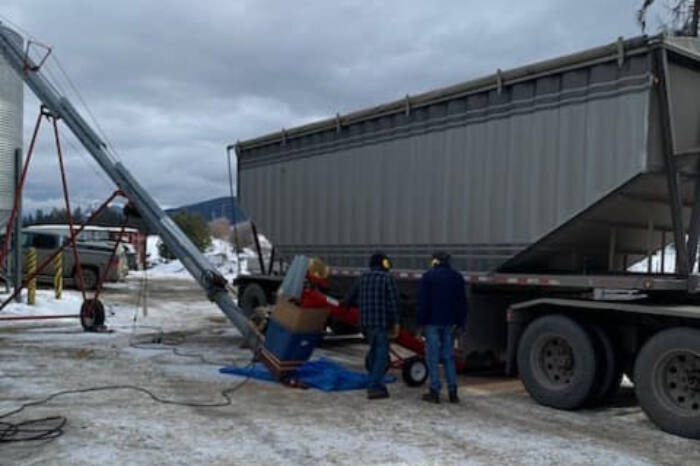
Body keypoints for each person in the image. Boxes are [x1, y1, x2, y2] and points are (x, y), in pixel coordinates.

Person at [345, 251, 400, 399]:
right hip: (381, 323)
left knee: (375, 352)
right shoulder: (388, 279)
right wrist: (395, 323)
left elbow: (348, 299)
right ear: (384, 263)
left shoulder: (362, 278)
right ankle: (374, 386)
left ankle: (374, 379)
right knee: (382, 355)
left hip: (365, 324)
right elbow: (393, 304)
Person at [417, 251, 467, 404]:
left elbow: (423, 303)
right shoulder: (457, 277)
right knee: (448, 357)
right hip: (449, 323)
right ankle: (453, 392)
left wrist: (420, 324)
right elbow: (462, 303)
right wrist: (460, 323)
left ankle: (435, 391)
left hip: (432, 322)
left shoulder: (428, 276)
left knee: (432, 358)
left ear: (435, 261)